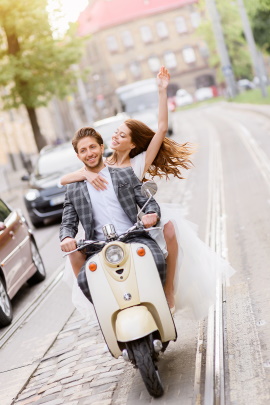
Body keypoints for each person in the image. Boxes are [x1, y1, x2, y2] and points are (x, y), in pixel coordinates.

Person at [61, 66, 192, 312]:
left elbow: (161, 127)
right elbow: (65, 180)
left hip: (138, 217)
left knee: (170, 229)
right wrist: (87, 174)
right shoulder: (103, 161)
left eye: (122, 135)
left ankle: (168, 289)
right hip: (111, 231)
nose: (116, 137)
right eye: (116, 133)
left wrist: (162, 91)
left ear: (132, 143)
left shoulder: (137, 163)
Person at [60, 127, 166, 305]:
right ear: (78, 156)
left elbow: (149, 203)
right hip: (98, 247)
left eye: (92, 147)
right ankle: (109, 313)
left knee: (157, 261)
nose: (89, 153)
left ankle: (157, 303)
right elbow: (67, 223)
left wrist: (151, 214)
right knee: (85, 281)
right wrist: (66, 237)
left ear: (102, 148)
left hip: (134, 237)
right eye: (83, 150)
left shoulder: (124, 174)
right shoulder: (74, 188)